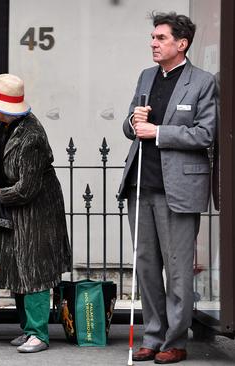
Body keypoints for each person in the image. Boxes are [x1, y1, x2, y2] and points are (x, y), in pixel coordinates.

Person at [117, 12, 217, 364]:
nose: (153, 43)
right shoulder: (146, 76)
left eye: (160, 38)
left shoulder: (202, 82)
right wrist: (134, 122)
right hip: (141, 184)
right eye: (153, 37)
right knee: (145, 265)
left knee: (176, 268)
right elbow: (131, 125)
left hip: (179, 187)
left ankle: (175, 340)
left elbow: (206, 134)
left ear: (181, 43)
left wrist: (157, 132)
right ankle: (153, 336)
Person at [0, 73, 71, 353]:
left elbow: (27, 189)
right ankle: (28, 329)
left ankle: (39, 334)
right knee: (16, 265)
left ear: (5, 108)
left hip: (37, 211)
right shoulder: (0, 125)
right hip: (15, 210)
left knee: (34, 269)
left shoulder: (32, 137)